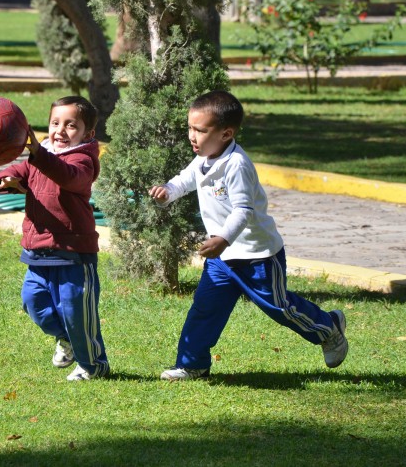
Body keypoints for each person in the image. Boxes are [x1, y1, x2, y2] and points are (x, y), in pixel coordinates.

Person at [148, 90, 348, 381]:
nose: (192, 136)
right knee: (205, 309)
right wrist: (168, 192)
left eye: (200, 130)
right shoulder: (204, 157)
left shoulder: (237, 165)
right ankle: (193, 365)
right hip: (222, 259)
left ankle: (328, 327)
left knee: (279, 307)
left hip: (257, 256)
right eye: (190, 128)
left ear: (226, 133)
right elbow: (185, 180)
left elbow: (243, 210)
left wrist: (223, 239)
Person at [0, 96, 109, 381]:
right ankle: (64, 338)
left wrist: (37, 154)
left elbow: (67, 177)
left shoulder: (83, 161)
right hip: (38, 252)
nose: (60, 130)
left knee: (76, 314)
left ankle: (94, 365)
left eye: (72, 125)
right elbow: (17, 169)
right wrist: (6, 178)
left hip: (73, 253)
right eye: (55, 123)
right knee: (33, 302)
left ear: (88, 134)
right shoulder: (41, 155)